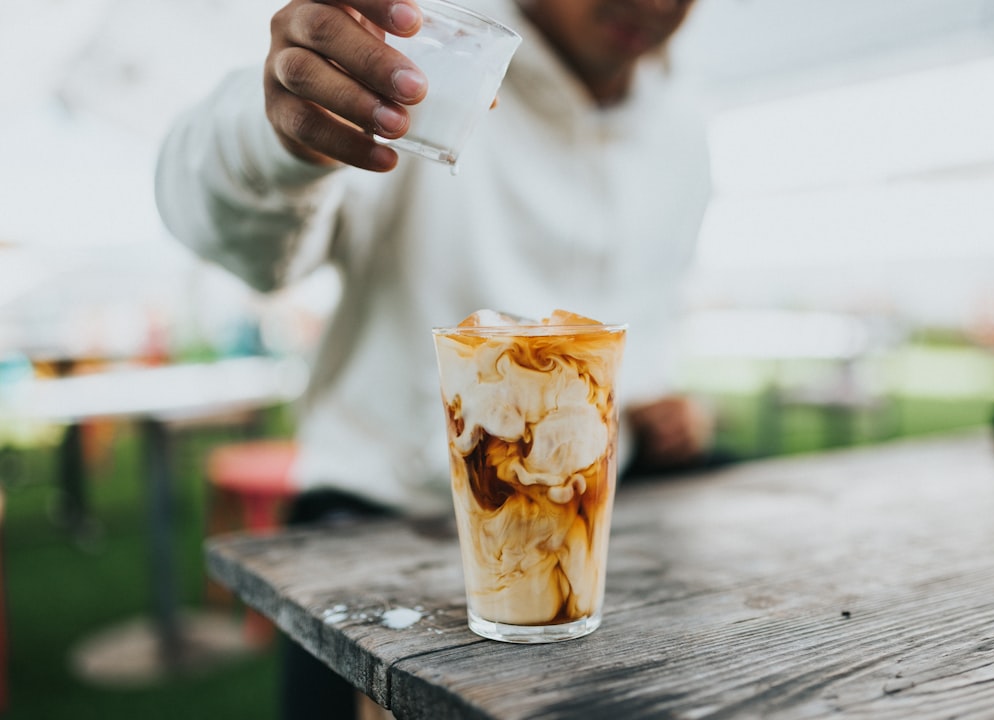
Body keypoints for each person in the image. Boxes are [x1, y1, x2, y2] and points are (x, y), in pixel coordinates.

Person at [156, 0, 715, 716]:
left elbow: (654, 309)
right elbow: (238, 236)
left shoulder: (682, 122)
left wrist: (661, 397)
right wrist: (276, 136)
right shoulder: (430, 56)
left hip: (602, 515)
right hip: (377, 519)